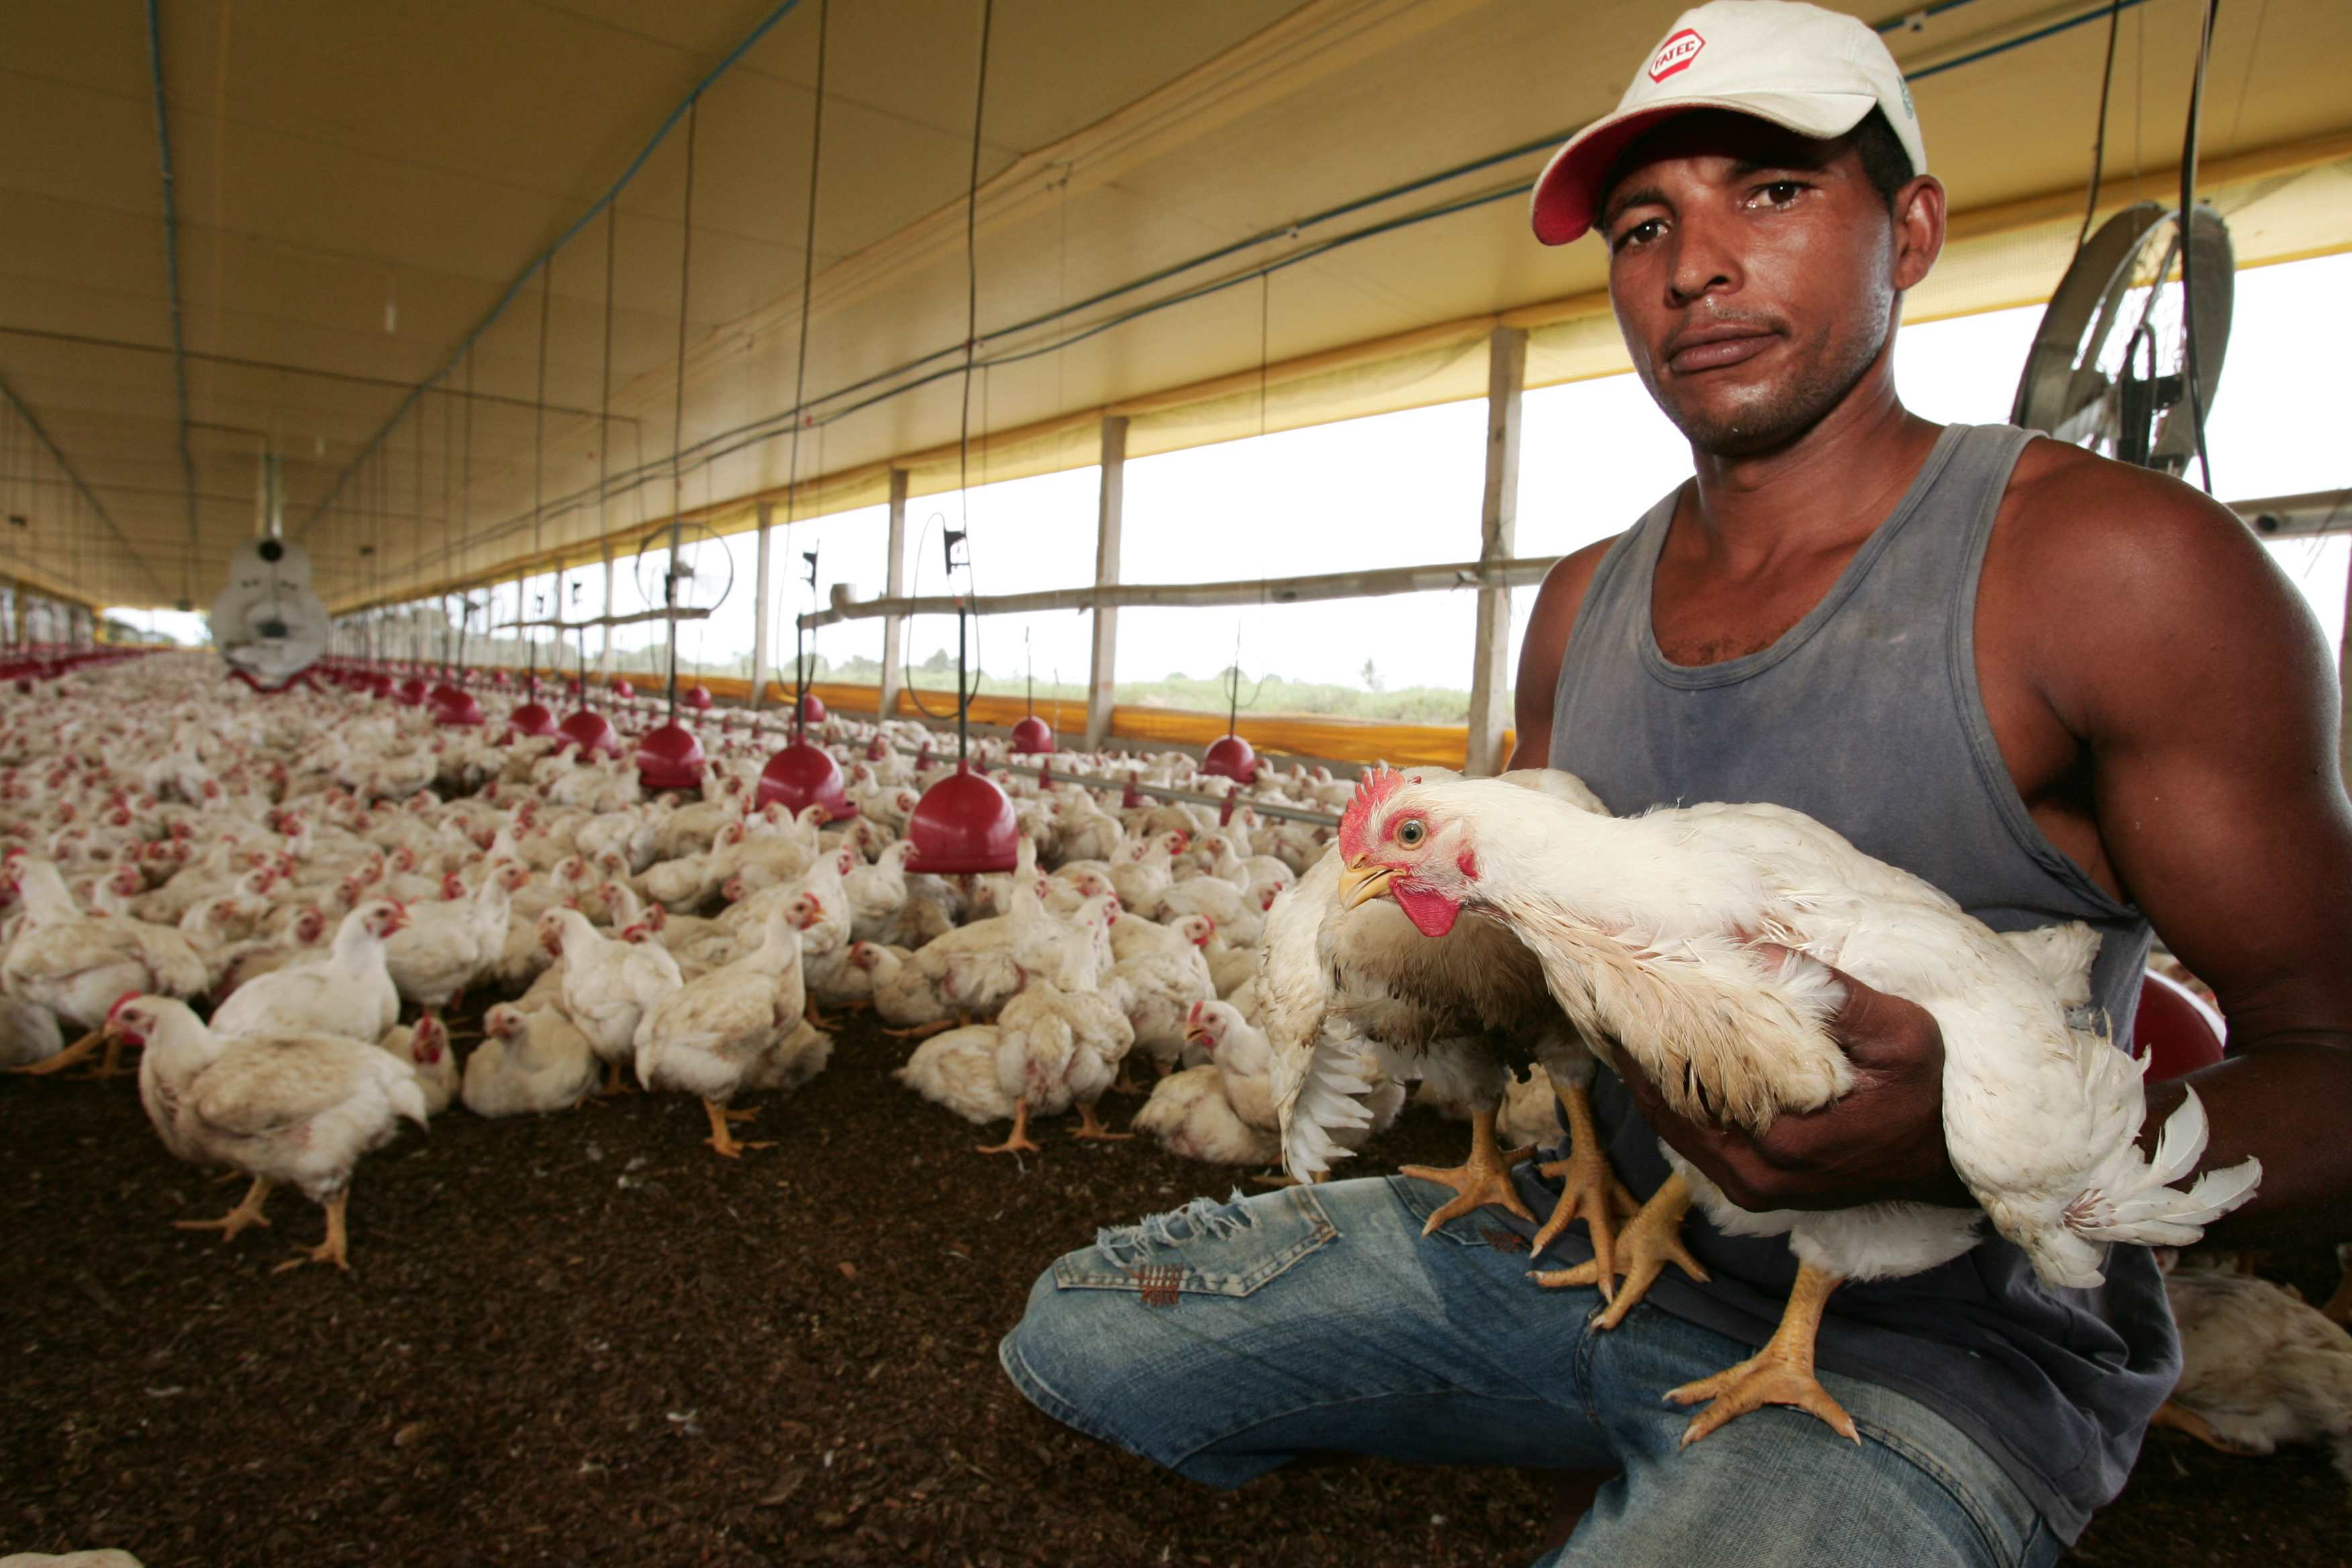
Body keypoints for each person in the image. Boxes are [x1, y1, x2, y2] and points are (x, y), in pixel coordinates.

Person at [997, 4, 2352, 1563]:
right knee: (1087, 1329)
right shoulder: (1581, 605)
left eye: (1770, 194)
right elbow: (1521, 970)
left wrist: (1984, 1145)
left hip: (1939, 1348)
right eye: (1647, 225)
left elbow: (2336, 1056)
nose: (1695, 264)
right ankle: (1631, 1410)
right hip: (1592, 1244)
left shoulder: (2118, 570)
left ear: (1909, 232)